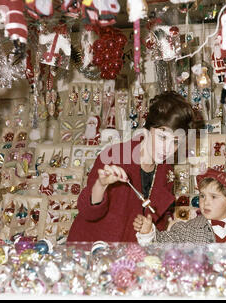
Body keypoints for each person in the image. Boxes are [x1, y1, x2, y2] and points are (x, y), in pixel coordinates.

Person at [67, 91, 195, 242]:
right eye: (162, 137)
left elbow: (157, 220)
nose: (167, 148)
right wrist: (100, 185)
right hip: (94, 250)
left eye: (175, 142)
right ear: (147, 131)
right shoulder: (115, 156)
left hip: (131, 256)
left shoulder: (165, 171)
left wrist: (149, 227)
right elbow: (88, 212)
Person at [134, 168, 226, 244]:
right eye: (202, 196)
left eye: (213, 197)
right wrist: (147, 232)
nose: (205, 202)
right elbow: (161, 242)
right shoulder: (186, 230)